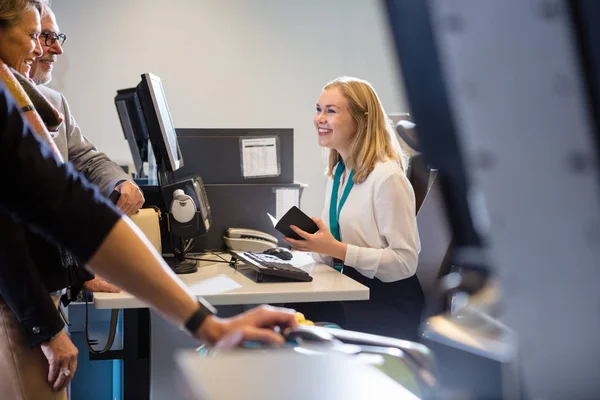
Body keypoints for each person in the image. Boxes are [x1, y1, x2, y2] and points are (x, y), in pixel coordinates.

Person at [0, 3, 297, 399]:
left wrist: (208, 326)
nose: (41, 50)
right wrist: (45, 327)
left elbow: (75, 211)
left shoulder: (16, 110)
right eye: (34, 35)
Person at [285, 76, 425, 341]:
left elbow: (405, 262)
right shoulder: (339, 172)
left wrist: (335, 249)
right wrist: (314, 245)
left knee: (294, 319)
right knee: (284, 312)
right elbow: (338, 249)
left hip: (388, 305)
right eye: (318, 110)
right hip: (350, 288)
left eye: (331, 111)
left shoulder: (387, 178)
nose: (319, 119)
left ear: (362, 119)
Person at [27, 3, 140, 297]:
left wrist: (120, 182)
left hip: (51, 282)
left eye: (56, 38)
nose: (56, 49)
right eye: (45, 37)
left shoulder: (54, 101)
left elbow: (87, 159)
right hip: (22, 290)